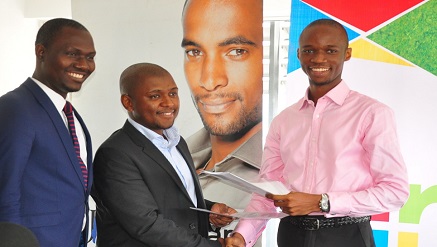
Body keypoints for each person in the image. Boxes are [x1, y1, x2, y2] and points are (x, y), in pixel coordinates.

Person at [225, 19, 410, 247]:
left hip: (346, 236)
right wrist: (243, 234)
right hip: (291, 235)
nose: (319, 59)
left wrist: (321, 202)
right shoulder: (284, 120)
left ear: (347, 54)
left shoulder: (371, 113)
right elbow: (268, 188)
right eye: (309, 50)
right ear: (298, 54)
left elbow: (395, 191)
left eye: (330, 50)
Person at [91, 63, 236, 247]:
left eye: (173, 93)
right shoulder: (115, 154)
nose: (169, 103)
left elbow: (170, 196)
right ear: (128, 102)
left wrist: (208, 210)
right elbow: (146, 224)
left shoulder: (177, 142)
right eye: (155, 96)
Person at [0, 18, 96, 247]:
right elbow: (5, 191)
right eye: (72, 54)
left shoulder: (69, 114)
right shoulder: (15, 107)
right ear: (41, 52)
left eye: (90, 57)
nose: (84, 65)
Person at [181, 0, 263, 243]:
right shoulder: (174, 156)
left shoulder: (282, 175)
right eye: (195, 52)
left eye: (236, 51)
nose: (209, 80)